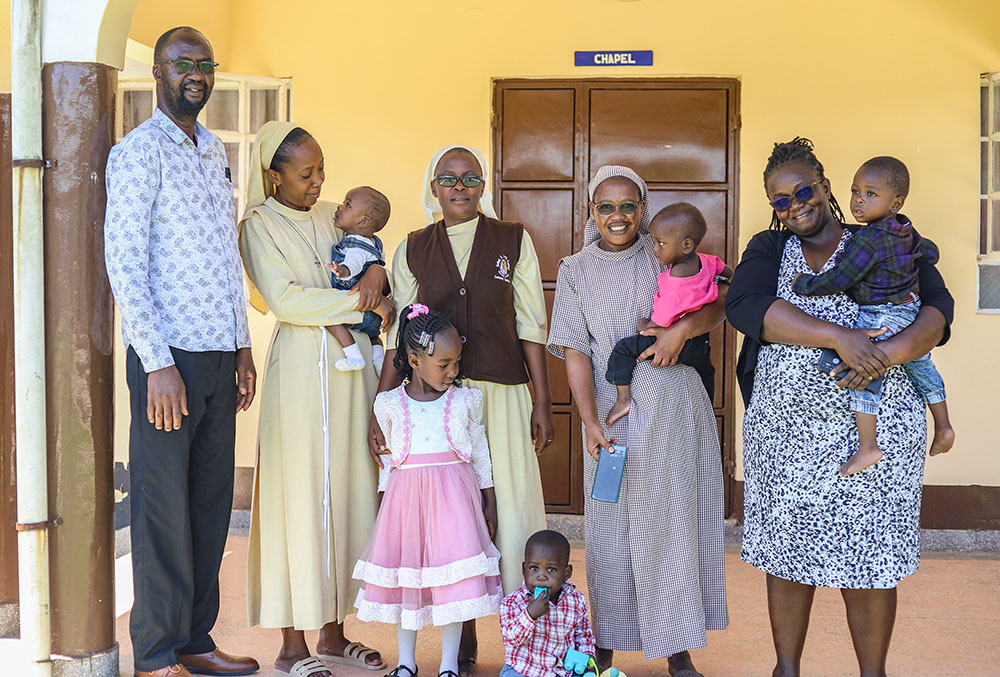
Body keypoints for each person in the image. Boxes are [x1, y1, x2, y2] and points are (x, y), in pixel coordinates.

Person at [726, 137, 954, 677]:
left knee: (871, 561)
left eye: (803, 190)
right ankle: (787, 669)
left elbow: (937, 307)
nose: (794, 205)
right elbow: (749, 306)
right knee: (786, 552)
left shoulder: (885, 236)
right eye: (780, 199)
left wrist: (885, 353)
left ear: (826, 187)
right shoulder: (768, 248)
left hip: (876, 436)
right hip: (785, 435)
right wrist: (840, 339)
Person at [104, 26, 259, 677]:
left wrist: (244, 343)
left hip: (221, 354)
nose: (195, 73)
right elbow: (124, 260)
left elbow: (225, 253)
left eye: (204, 64)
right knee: (162, 507)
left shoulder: (213, 149)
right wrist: (157, 360)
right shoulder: (138, 153)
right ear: (159, 74)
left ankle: (196, 638)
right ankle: (158, 652)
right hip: (169, 361)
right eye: (181, 63)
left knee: (208, 504)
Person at [370, 145, 553, 676]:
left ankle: (528, 641)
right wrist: (379, 409)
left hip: (501, 392)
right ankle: (462, 636)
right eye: (448, 178)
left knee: (511, 511)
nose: (460, 186)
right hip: (437, 406)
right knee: (453, 522)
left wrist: (542, 399)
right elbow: (399, 335)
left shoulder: (513, 240)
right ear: (433, 187)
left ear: (483, 184)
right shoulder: (412, 249)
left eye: (471, 177)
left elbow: (531, 325)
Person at [547, 165, 728, 677]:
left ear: (643, 210)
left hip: (673, 406)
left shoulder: (667, 252)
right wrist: (588, 421)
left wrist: (680, 332)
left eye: (629, 206)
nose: (618, 216)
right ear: (591, 212)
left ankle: (677, 646)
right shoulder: (575, 269)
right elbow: (575, 351)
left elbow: (720, 302)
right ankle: (605, 642)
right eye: (606, 206)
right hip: (612, 410)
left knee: (670, 524)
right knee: (608, 525)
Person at [239, 122, 391, 677]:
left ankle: (333, 634)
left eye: (322, 169)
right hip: (300, 372)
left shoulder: (333, 215)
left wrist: (376, 270)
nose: (319, 181)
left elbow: (373, 259)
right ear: (273, 176)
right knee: (295, 497)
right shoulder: (257, 225)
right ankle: (290, 644)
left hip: (348, 379)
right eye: (306, 174)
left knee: (346, 491)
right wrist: (361, 306)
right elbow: (287, 301)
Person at [354, 304, 502, 677]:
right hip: (406, 508)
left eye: (456, 363)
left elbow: (479, 452)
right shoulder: (389, 404)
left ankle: (449, 664)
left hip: (455, 506)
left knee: (452, 585)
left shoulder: (464, 400)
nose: (453, 372)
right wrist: (386, 510)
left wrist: (490, 498)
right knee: (409, 584)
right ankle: (406, 662)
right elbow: (388, 464)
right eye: (444, 364)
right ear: (414, 360)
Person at [792, 155, 955, 474]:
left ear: (896, 202)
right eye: (855, 191)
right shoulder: (903, 226)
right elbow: (929, 251)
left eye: (871, 193)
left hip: (880, 315)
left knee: (865, 374)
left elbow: (841, 277)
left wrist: (806, 284)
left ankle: (867, 447)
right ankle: (945, 425)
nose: (858, 200)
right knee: (922, 366)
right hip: (910, 309)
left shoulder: (868, 239)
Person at [604, 202, 731, 426]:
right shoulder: (706, 260)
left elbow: (660, 323)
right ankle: (706, 410)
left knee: (623, 350)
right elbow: (728, 272)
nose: (655, 249)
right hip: (699, 341)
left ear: (686, 245)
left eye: (661, 243)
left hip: (674, 340)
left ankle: (623, 399)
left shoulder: (675, 281)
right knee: (707, 371)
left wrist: (645, 325)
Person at [499, 530, 595, 677]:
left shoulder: (575, 600)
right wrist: (530, 615)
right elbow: (512, 638)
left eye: (551, 569)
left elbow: (583, 633)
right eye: (534, 568)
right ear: (524, 569)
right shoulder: (512, 603)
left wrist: (588, 656)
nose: (541, 577)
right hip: (524, 669)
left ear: (567, 573)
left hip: (562, 670)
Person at [325, 186, 392, 374]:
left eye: (347, 205)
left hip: (357, 305)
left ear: (363, 222)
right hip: (373, 313)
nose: (339, 207)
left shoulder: (355, 244)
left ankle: (353, 356)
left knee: (331, 321)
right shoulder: (375, 244)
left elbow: (354, 264)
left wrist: (342, 271)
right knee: (373, 336)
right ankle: (378, 357)